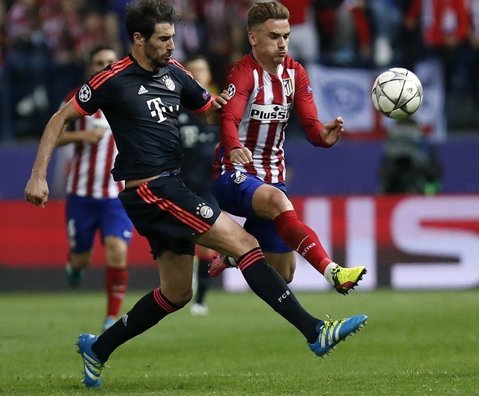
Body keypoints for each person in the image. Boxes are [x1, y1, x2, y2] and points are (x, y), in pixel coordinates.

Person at [24, 0, 367, 388]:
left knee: (177, 292)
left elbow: (209, 108)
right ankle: (314, 331)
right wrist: (39, 175)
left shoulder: (175, 73)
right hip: (152, 188)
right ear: (138, 39)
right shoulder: (112, 78)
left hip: (168, 187)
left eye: (173, 37)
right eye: (164, 39)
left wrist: (233, 108)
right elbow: (60, 118)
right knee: (244, 243)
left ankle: (98, 349)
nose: (172, 46)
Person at [209, 1, 366, 294]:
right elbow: (228, 117)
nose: (282, 44)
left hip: (271, 179)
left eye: (286, 36)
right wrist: (232, 147)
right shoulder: (244, 72)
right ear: (253, 38)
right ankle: (334, 273)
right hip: (233, 173)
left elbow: (310, 125)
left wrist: (323, 136)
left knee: (285, 273)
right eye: (274, 36)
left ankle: (233, 251)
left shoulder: (296, 73)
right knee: (280, 204)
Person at [57, 45, 131, 332]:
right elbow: (54, 133)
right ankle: (74, 266)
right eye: (99, 62)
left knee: (117, 250)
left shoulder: (129, 97)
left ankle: (111, 316)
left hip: (117, 195)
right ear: (90, 67)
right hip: (82, 194)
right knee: (82, 257)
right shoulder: (76, 99)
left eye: (111, 61)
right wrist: (82, 135)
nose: (105, 66)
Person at [178, 54, 221, 316]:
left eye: (201, 69)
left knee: (208, 243)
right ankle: (183, 287)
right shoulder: (175, 109)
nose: (196, 74)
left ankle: (201, 298)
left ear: (208, 76)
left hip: (209, 185)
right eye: (191, 71)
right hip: (180, 184)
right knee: (182, 242)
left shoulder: (219, 109)